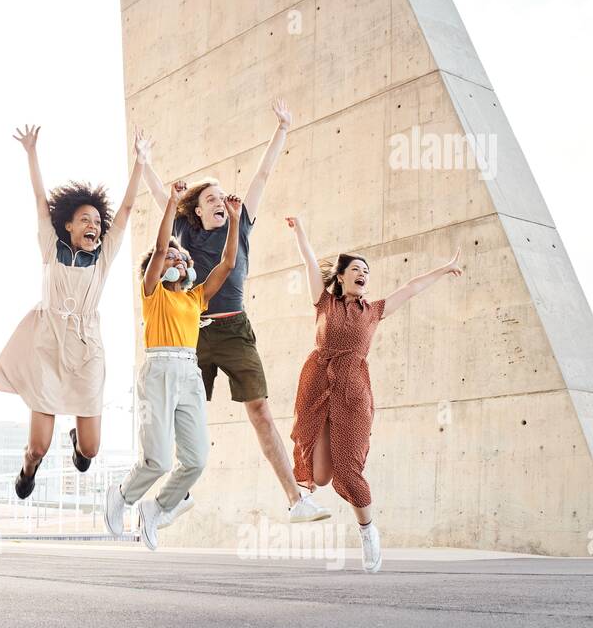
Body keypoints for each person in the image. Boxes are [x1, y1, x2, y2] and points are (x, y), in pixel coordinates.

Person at [141, 98, 330, 522]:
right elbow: (160, 197)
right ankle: (177, 493)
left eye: (220, 199)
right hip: (191, 334)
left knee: (260, 410)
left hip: (235, 331)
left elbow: (262, 174)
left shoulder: (240, 225)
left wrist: (282, 128)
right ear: (197, 209)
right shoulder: (185, 231)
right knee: (181, 411)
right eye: (209, 199)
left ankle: (296, 500)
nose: (218, 203)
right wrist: (145, 162)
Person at [286, 215, 463, 571]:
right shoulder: (324, 303)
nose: (363, 274)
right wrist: (300, 229)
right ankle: (303, 499)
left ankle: (367, 532)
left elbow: (411, 287)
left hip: (353, 390)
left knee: (348, 473)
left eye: (366, 270)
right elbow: (308, 259)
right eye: (355, 269)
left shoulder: (375, 311)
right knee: (320, 476)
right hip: (317, 382)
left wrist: (444, 269)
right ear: (341, 276)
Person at [0, 125, 145, 498]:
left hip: (86, 348)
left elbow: (125, 209)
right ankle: (28, 470)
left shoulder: (103, 259)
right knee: (38, 447)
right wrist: (31, 153)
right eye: (85, 220)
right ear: (69, 226)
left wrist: (141, 161)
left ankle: (78, 440)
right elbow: (40, 201)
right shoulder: (50, 248)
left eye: (97, 221)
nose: (93, 225)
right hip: (47, 346)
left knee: (91, 451)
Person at [104, 182, 241, 550]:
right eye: (171, 259)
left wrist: (235, 222)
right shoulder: (153, 294)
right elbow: (163, 246)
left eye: (183, 259)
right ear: (155, 268)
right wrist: (171, 203)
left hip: (189, 374)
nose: (178, 260)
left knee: (196, 461)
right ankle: (121, 496)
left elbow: (228, 264)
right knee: (159, 460)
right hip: (159, 371)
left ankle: (158, 509)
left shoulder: (196, 297)